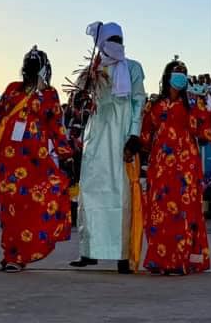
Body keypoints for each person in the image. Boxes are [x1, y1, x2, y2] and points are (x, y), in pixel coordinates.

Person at [0, 47, 72, 272]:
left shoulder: (49, 94)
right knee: (8, 208)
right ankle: (9, 254)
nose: (30, 65)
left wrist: (66, 156)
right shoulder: (12, 89)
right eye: (27, 62)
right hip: (9, 160)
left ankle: (20, 256)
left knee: (29, 207)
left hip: (35, 161)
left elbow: (56, 126)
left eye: (35, 62)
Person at [70, 21, 146, 274]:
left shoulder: (133, 68)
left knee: (121, 194)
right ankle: (89, 250)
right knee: (91, 193)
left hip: (122, 137)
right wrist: (81, 93)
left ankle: (122, 255)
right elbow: (79, 102)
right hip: (96, 139)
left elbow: (138, 101)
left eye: (120, 39)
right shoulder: (93, 69)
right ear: (101, 44)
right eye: (112, 39)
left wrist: (134, 135)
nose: (117, 45)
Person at [140, 65, 211, 274]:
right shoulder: (154, 105)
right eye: (177, 73)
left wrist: (209, 106)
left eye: (184, 73)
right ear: (167, 77)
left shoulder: (192, 103)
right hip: (161, 165)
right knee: (160, 211)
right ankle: (159, 260)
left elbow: (205, 131)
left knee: (185, 211)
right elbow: (145, 134)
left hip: (186, 166)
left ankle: (182, 260)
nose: (181, 77)